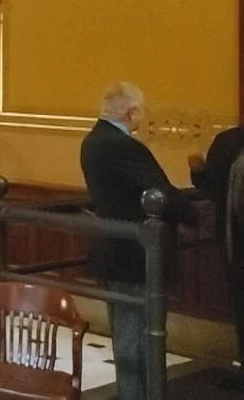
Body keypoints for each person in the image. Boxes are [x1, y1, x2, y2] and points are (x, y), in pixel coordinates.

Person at [80, 82, 198, 400]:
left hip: (115, 248)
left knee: (127, 333)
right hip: (135, 254)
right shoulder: (121, 145)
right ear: (132, 111)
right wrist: (190, 214)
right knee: (139, 335)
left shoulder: (93, 141)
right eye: (141, 111)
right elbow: (158, 191)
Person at [190, 125, 244, 391]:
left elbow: (209, 187)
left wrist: (198, 170)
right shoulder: (228, 142)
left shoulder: (227, 141)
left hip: (236, 243)